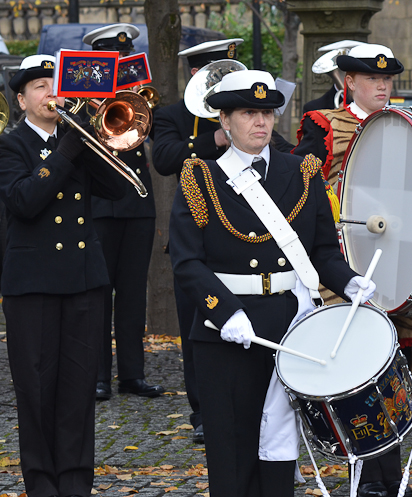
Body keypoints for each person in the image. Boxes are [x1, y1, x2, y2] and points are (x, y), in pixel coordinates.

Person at [168, 69, 372, 496]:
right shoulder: (200, 177)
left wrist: (349, 281)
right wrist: (224, 311)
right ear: (224, 121)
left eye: (266, 112)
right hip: (226, 331)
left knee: (279, 443)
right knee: (231, 446)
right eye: (248, 112)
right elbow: (188, 263)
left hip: (289, 323)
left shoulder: (303, 172)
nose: (260, 122)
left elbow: (322, 252)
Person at [294, 43, 412, 497]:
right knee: (357, 370)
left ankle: (393, 475)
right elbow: (303, 188)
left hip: (395, 264)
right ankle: (367, 476)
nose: (383, 86)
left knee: (393, 370)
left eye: (387, 80)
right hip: (343, 265)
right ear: (349, 82)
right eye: (372, 80)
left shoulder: (409, 125)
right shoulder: (323, 125)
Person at [0, 54, 128, 497]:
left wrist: (99, 140)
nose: (50, 92)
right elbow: (24, 201)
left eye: (55, 83)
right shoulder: (9, 144)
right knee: (36, 391)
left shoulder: (78, 139)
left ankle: (75, 483)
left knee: (77, 391)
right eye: (39, 86)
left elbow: (120, 191)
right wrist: (70, 149)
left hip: (83, 281)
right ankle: (41, 484)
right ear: (21, 99)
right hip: (32, 284)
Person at [153, 37, 245, 444]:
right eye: (215, 72)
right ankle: (203, 413)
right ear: (196, 74)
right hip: (198, 236)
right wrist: (215, 139)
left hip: (243, 237)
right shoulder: (172, 115)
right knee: (197, 331)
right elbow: (165, 157)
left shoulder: (242, 112)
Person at [80, 23, 164, 401]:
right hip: (99, 207)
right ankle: (98, 374)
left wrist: (139, 104)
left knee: (132, 294)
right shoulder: (83, 103)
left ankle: (132, 374)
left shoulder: (136, 99)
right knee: (100, 291)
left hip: (136, 204)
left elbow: (150, 135)